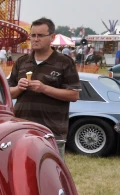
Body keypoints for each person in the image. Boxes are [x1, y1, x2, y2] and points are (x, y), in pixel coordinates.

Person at [7, 17, 80, 158]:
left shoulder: (65, 62)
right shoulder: (22, 61)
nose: (35, 39)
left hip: (51, 132)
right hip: (22, 130)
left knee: (52, 175)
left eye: (40, 35)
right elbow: (8, 93)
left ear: (52, 37)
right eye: (33, 35)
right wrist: (18, 88)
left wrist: (44, 88)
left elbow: (73, 95)